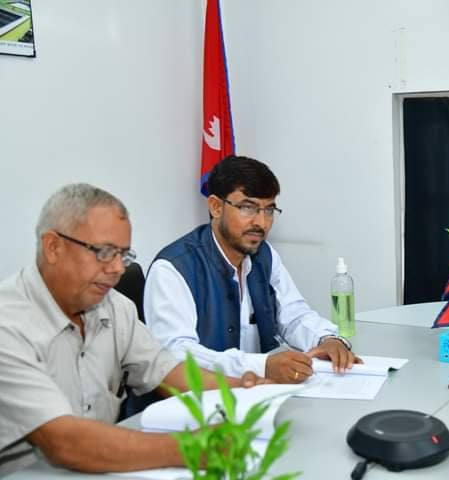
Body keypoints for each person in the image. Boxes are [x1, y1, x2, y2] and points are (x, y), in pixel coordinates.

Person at [0, 184, 263, 475]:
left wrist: (249, 390)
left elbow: (169, 373)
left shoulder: (114, 307)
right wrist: (189, 447)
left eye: (123, 255)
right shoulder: (7, 325)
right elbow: (64, 442)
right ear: (53, 246)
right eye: (104, 252)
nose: (117, 269)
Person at [144, 155, 358, 384]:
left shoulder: (264, 255)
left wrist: (327, 339)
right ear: (216, 207)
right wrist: (261, 367)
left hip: (256, 395)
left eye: (269, 210)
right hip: (197, 401)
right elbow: (176, 355)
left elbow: (294, 314)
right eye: (248, 208)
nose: (262, 223)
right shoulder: (172, 269)